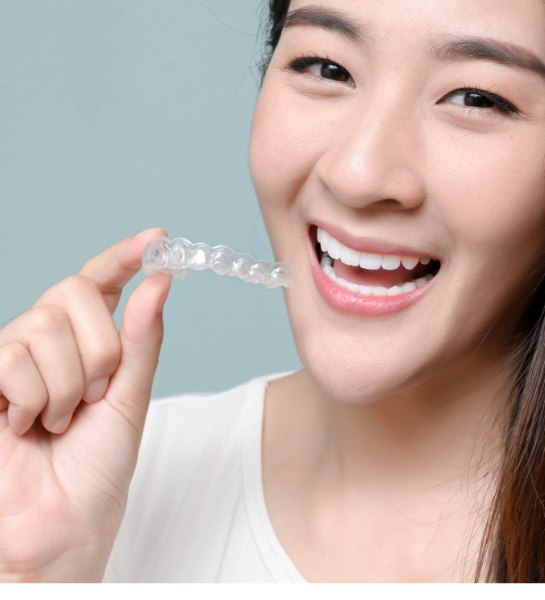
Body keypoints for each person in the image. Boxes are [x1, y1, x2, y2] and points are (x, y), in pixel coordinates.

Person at [1, 0, 545, 583]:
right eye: (326, 68)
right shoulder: (103, 479)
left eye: (477, 99)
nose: (357, 173)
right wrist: (36, 576)